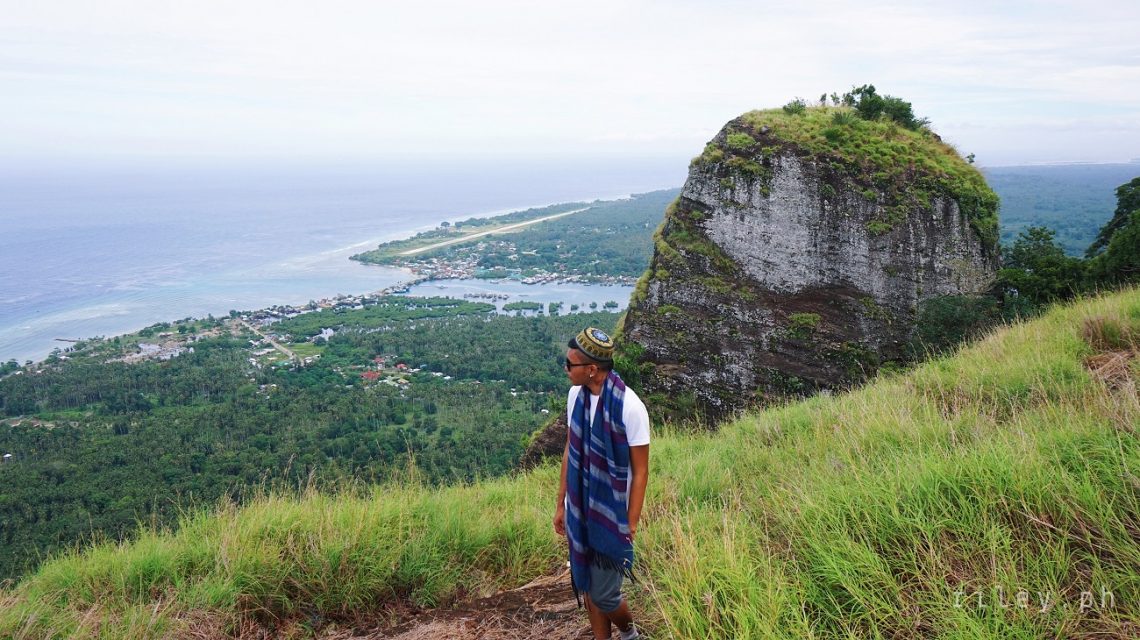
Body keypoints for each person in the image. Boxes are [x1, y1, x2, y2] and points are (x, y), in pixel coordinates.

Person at [554, 327, 650, 640]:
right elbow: (571, 449)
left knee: (606, 595)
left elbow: (641, 471)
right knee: (589, 587)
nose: (565, 369)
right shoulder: (575, 397)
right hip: (580, 508)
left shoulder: (629, 407)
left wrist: (630, 525)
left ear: (592, 369)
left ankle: (629, 632)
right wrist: (561, 505)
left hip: (611, 515)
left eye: (571, 365)